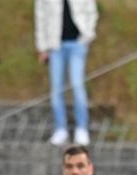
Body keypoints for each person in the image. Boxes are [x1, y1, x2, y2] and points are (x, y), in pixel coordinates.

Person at [34, 0, 98, 146]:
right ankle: (60, 129)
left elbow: (91, 10)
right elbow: (40, 17)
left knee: (77, 84)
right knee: (57, 88)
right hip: (55, 45)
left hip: (78, 43)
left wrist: (88, 34)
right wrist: (42, 47)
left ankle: (82, 128)